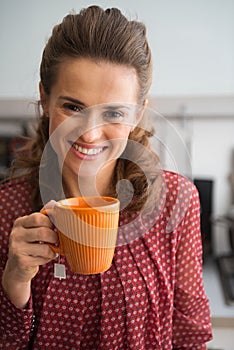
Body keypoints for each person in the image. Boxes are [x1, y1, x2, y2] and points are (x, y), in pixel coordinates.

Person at [0, 5, 212, 349]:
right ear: (44, 99)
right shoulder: (8, 210)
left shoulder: (177, 200)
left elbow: (189, 338)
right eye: (72, 107)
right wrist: (15, 281)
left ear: (138, 113)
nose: (91, 135)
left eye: (113, 112)